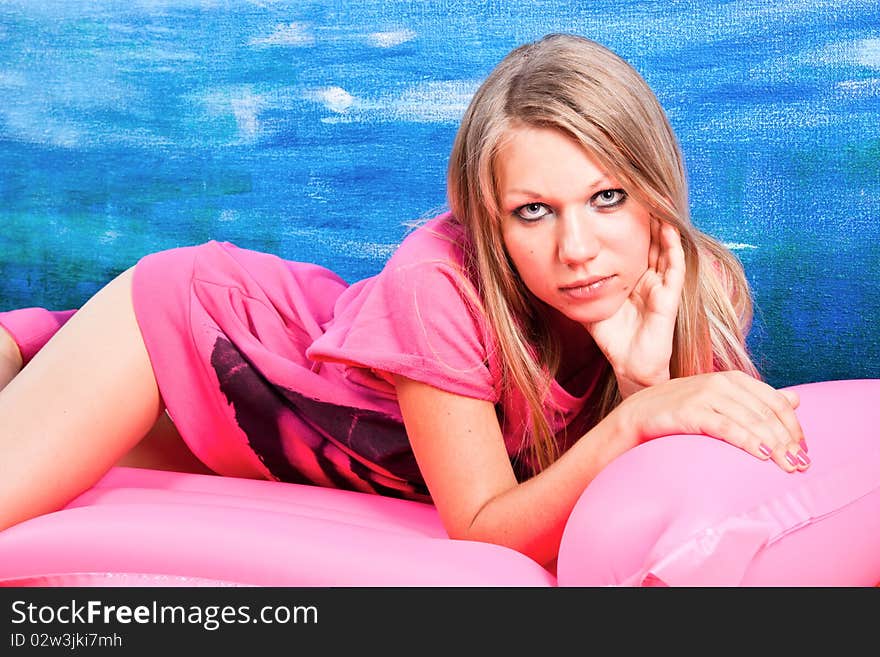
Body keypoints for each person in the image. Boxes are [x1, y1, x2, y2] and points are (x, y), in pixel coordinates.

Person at [0, 33, 808, 569]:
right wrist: (638, 414)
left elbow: (653, 516)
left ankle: (36, 347)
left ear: (654, 186)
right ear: (488, 220)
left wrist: (640, 380)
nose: (577, 248)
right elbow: (486, 525)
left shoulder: (698, 290)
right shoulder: (441, 282)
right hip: (197, 340)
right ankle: (42, 348)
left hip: (262, 432)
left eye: (606, 197)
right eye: (534, 210)